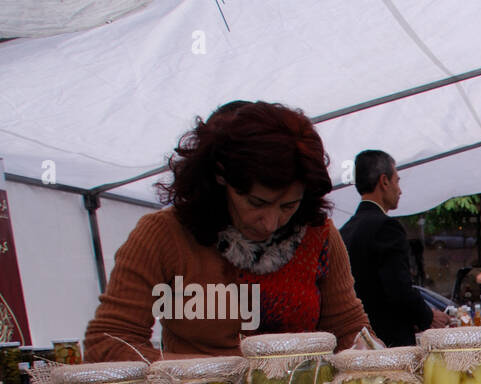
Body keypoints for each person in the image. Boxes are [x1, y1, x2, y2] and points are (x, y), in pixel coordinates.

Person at [84, 101, 372, 361]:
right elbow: (108, 344)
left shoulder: (318, 234)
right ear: (220, 176)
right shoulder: (163, 234)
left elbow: (348, 328)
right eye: (256, 203)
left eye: (288, 206)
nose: (270, 223)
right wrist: (211, 372)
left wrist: (367, 352)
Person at [339, 150, 435, 346]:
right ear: (384, 181)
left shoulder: (345, 230)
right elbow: (399, 289)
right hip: (389, 343)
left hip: (358, 342)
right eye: (397, 181)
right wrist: (428, 317)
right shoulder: (386, 227)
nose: (400, 190)